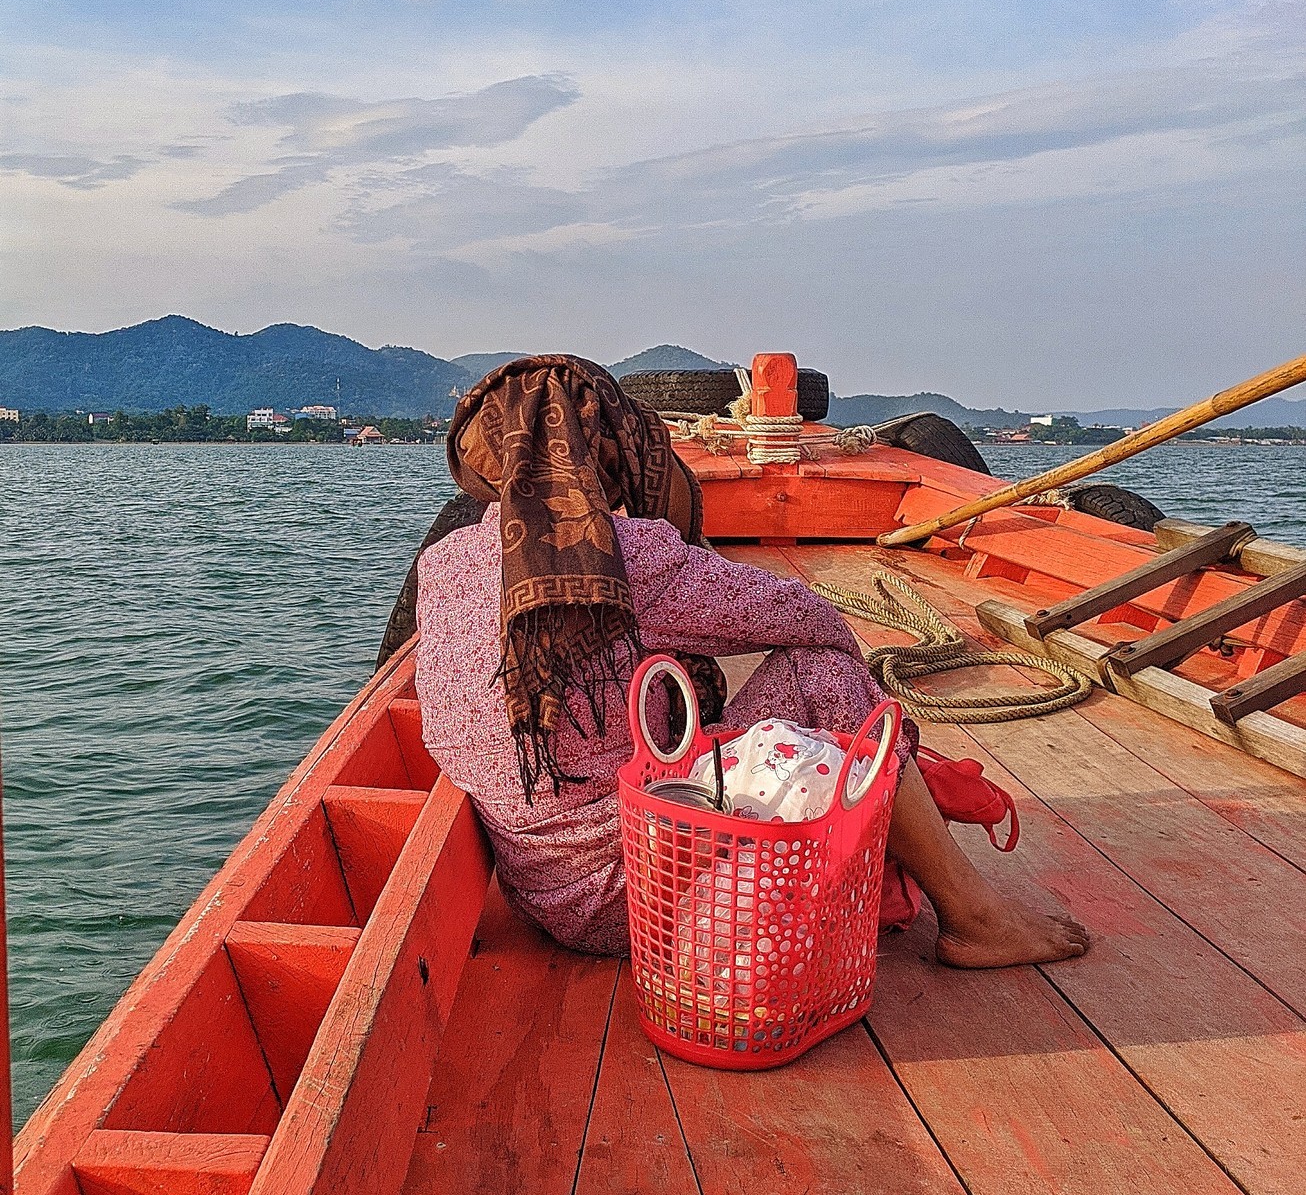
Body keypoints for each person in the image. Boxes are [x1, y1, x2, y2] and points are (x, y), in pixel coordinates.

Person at [411, 356, 1088, 967]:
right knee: (825, 673)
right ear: (610, 448)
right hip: (647, 893)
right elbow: (808, 619)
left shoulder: (439, 566)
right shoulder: (624, 552)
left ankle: (901, 815)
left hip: (542, 900)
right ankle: (973, 916)